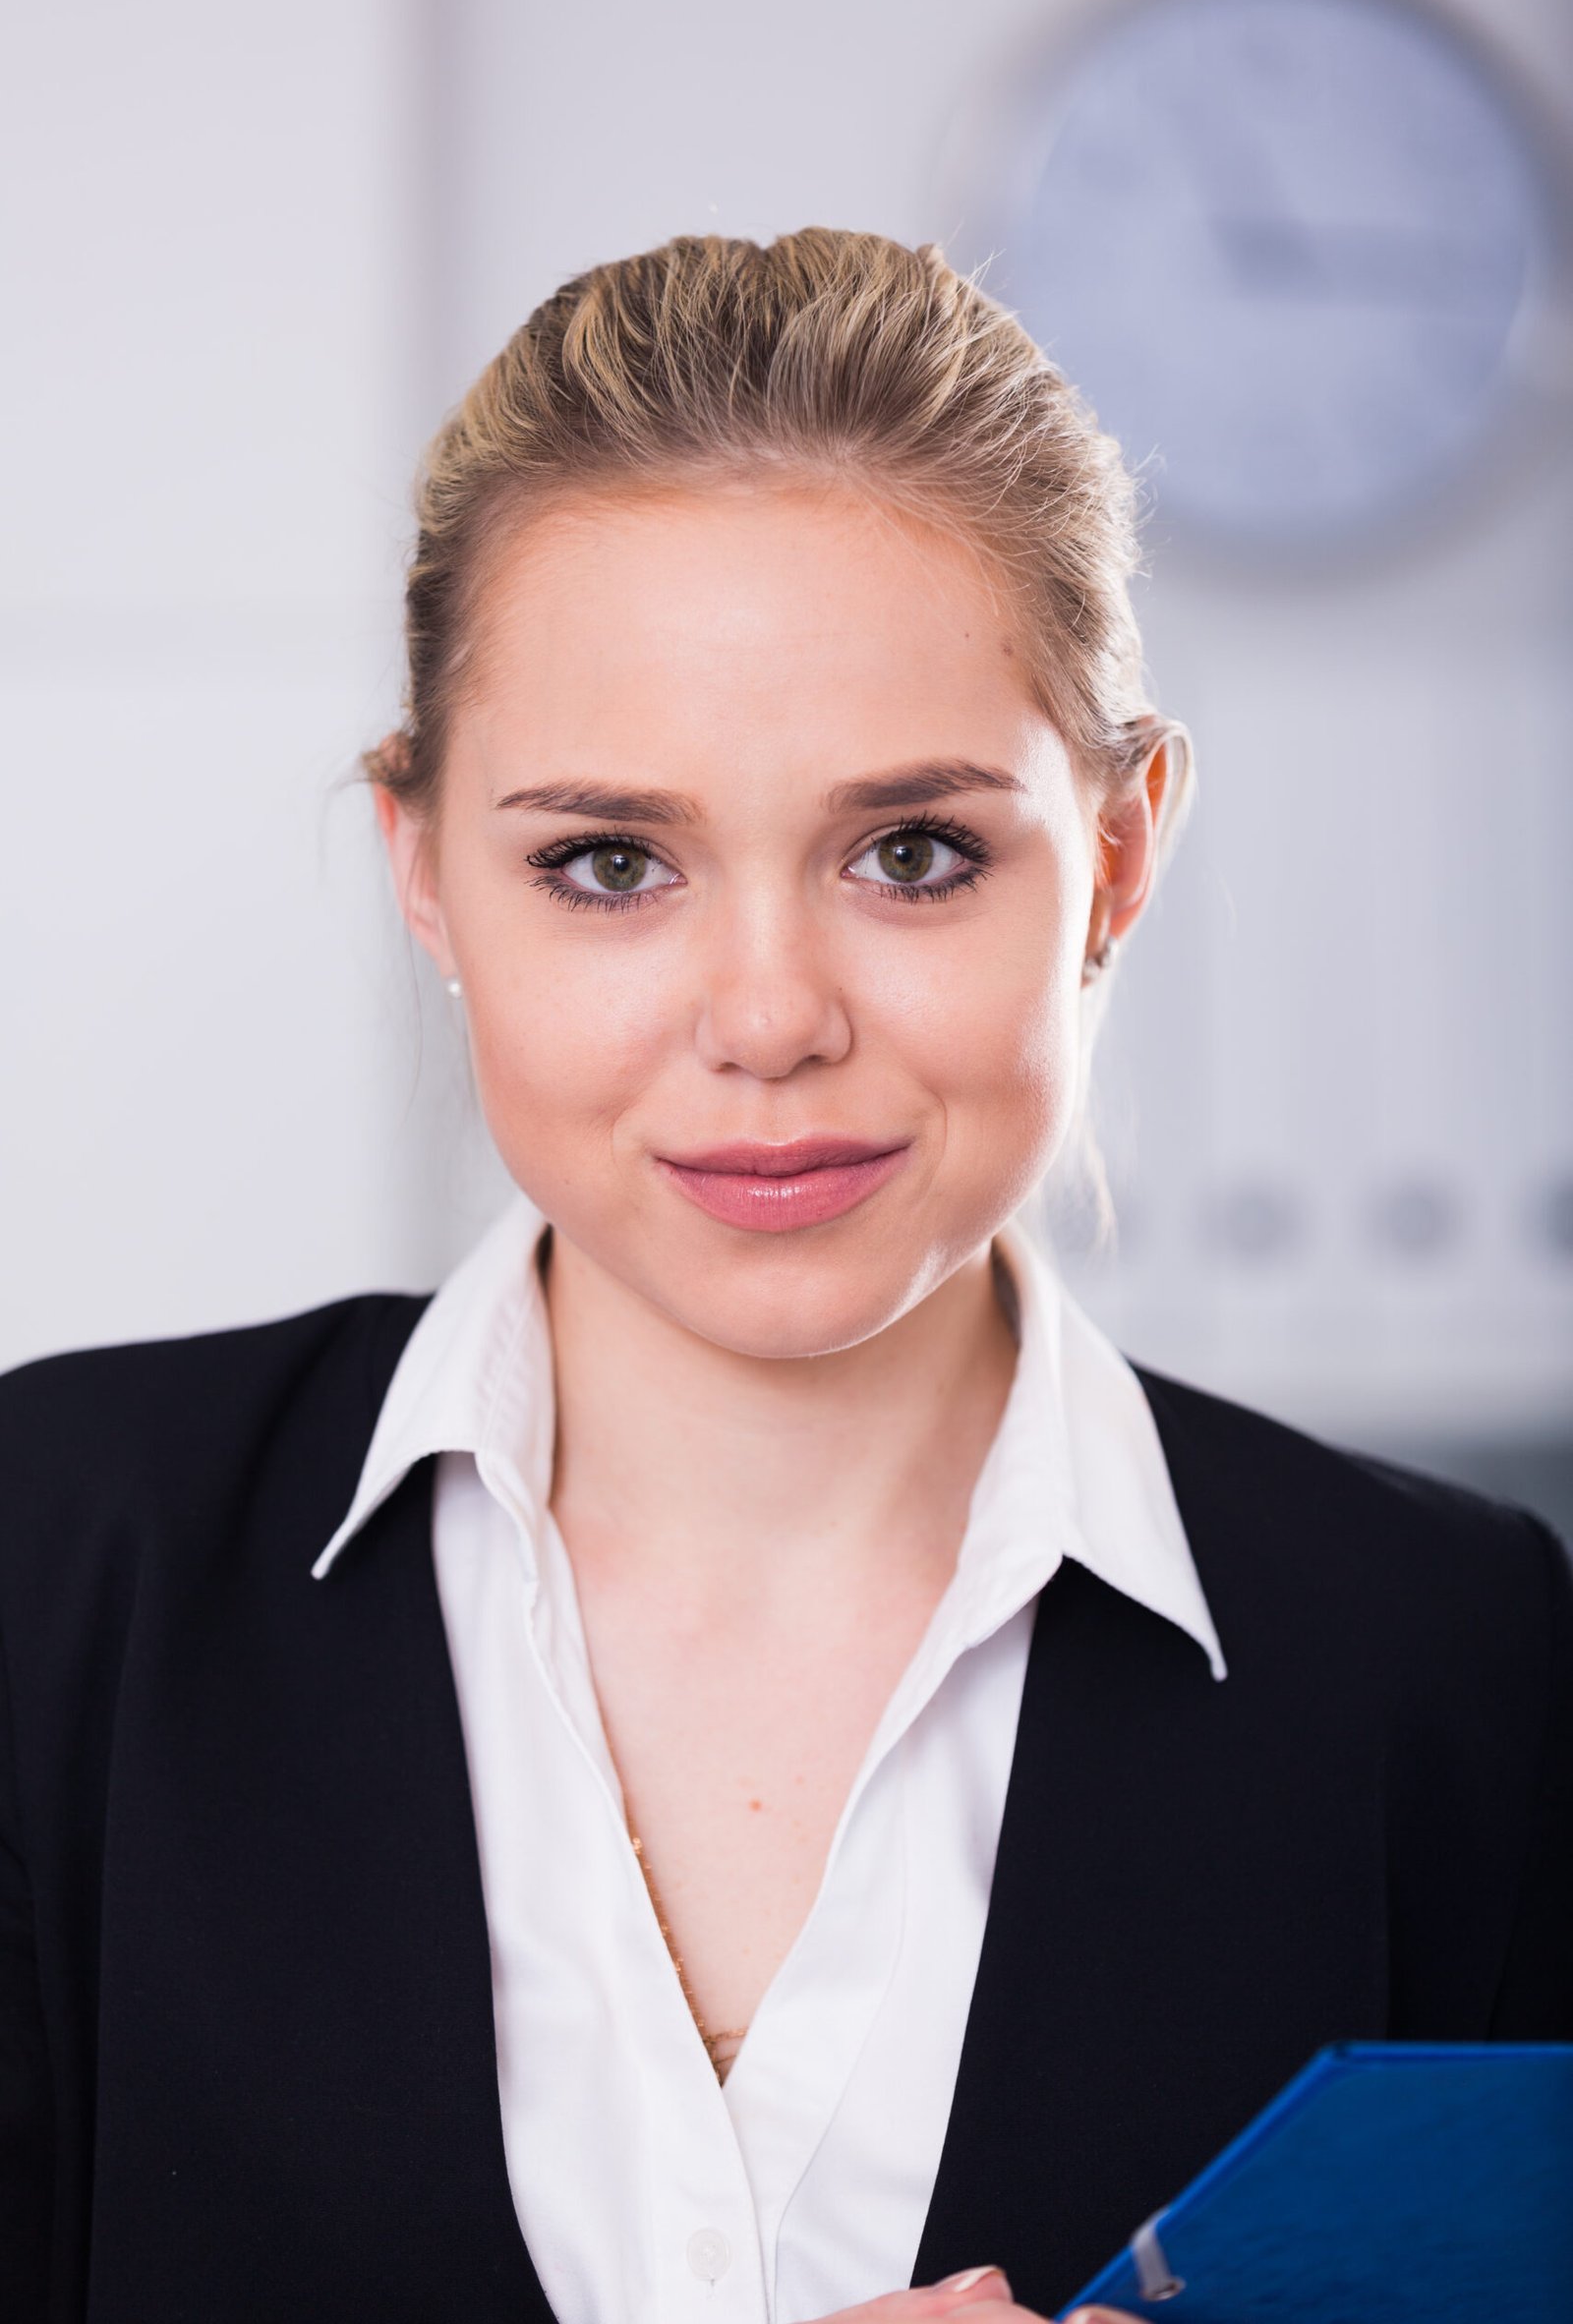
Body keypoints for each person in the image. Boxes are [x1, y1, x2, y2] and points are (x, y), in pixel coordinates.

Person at [1, 228, 1568, 2324]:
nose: (764, 1017)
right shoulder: (46, 1566)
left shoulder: (1455, 1670)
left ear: (1112, 854)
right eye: (607, 863)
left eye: (909, 852)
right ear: (423, 873)